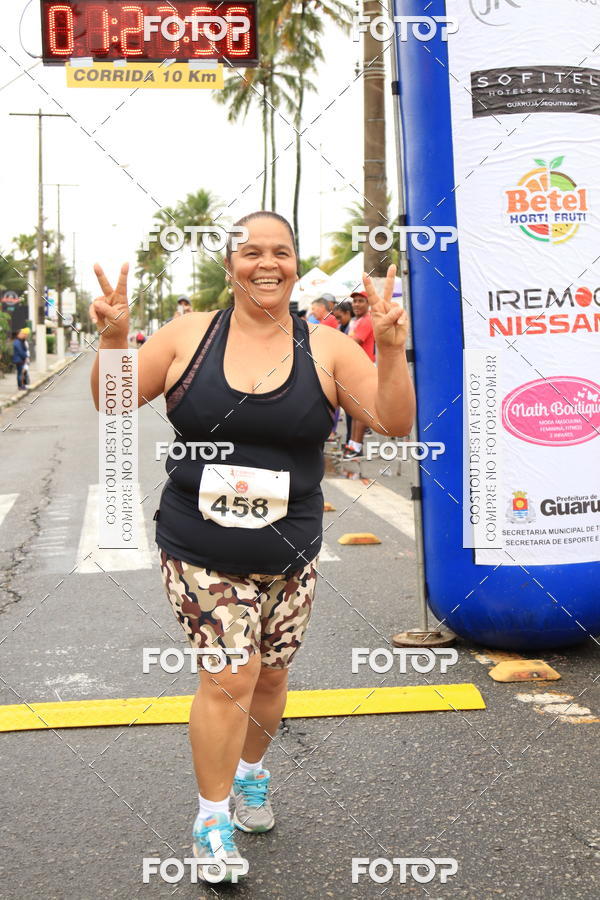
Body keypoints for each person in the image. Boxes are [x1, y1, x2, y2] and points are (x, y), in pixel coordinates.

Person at [89, 211, 415, 883]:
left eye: (282, 252)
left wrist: (387, 347)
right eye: (252, 253)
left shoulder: (323, 347)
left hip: (290, 550)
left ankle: (252, 776)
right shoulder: (189, 335)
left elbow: (392, 420)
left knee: (268, 676)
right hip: (198, 543)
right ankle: (210, 820)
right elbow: (113, 403)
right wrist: (115, 339)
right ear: (229, 263)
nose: (267, 264)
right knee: (229, 676)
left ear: (295, 264)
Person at [343, 290, 377, 459]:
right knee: (355, 410)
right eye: (354, 301)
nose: (356, 304)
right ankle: (352, 444)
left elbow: (352, 342)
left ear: (368, 303)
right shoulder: (356, 321)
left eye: (360, 301)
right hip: (355, 369)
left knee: (360, 410)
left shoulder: (367, 320)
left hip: (365, 369)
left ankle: (356, 447)